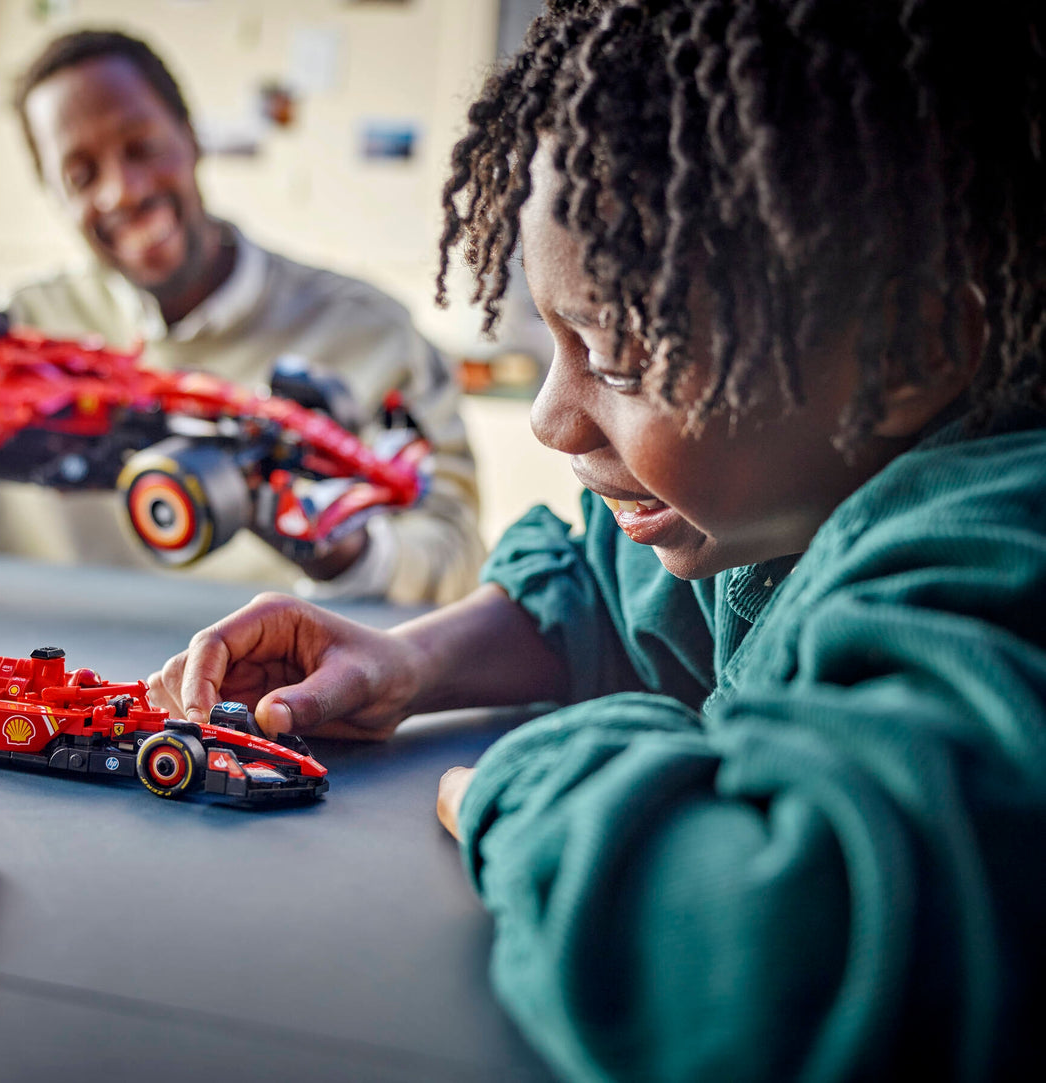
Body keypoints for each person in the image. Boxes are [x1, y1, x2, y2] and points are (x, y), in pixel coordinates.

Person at [147, 1, 1046, 1079]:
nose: (549, 421)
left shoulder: (1000, 556)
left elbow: (760, 973)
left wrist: (516, 792)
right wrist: (408, 660)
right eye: (551, 341)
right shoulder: (787, 494)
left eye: (616, 363)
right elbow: (600, 568)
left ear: (911, 358)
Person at [0, 29, 484, 605]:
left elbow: (452, 552)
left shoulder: (370, 334)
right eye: (81, 174)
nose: (122, 191)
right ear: (53, 194)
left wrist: (344, 552)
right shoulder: (6, 335)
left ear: (190, 138)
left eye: (141, 148)